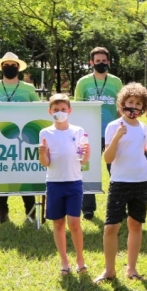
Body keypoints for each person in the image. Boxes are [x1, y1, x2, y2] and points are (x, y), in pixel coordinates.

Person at [94, 83, 147, 283]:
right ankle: (109, 270)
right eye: (130, 102)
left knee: (136, 224)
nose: (133, 107)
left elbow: (145, 150)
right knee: (111, 227)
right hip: (120, 182)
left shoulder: (143, 127)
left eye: (138, 104)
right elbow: (107, 158)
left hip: (141, 181)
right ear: (122, 104)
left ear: (143, 108)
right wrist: (116, 138)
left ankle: (131, 269)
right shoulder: (113, 126)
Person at [0, 52, 40, 224]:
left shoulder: (29, 89)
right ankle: (2, 212)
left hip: (25, 139)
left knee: (25, 173)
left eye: (13, 65)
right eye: (6, 65)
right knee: (1, 173)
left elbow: (38, 109)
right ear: (1, 67)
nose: (10, 67)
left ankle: (30, 213)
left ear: (18, 68)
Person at [38, 93, 90, 275]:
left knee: (74, 223)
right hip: (54, 183)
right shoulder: (45, 133)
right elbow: (45, 163)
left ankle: (80, 259)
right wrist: (42, 153)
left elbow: (83, 161)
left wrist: (88, 153)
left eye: (63, 109)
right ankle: (64, 261)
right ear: (50, 111)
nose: (60, 113)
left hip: (74, 183)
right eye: (56, 110)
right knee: (58, 223)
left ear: (70, 111)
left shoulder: (78, 131)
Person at [74, 47, 123, 220]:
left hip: (111, 133)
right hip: (89, 133)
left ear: (108, 62)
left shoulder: (116, 82)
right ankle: (88, 208)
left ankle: (118, 205)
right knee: (88, 170)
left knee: (116, 169)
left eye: (104, 61)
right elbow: (77, 108)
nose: (101, 63)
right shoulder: (83, 82)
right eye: (97, 61)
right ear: (91, 62)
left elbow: (121, 108)